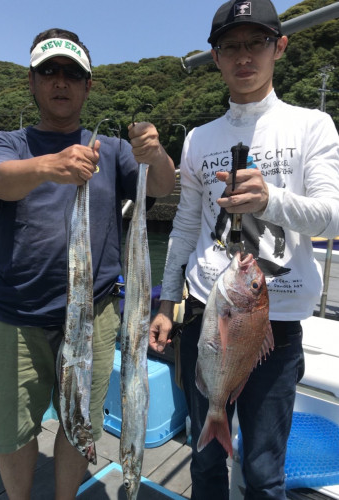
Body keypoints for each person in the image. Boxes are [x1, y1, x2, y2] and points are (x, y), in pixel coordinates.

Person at [149, 1, 339, 498]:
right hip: (205, 314)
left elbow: (332, 215)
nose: (244, 56)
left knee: (262, 469)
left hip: (275, 321)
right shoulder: (198, 138)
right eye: (231, 46)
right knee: (206, 458)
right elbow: (186, 226)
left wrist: (270, 199)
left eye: (256, 42)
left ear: (280, 46)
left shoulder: (312, 125)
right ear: (215, 57)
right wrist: (169, 302)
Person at [0, 28, 175, 500]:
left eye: (73, 73)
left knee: (79, 423)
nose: (60, 81)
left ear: (88, 86)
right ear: (32, 81)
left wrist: (155, 154)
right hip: (19, 315)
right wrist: (49, 165)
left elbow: (161, 187)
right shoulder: (9, 142)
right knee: (13, 428)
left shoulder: (111, 150)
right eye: (49, 71)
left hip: (94, 315)